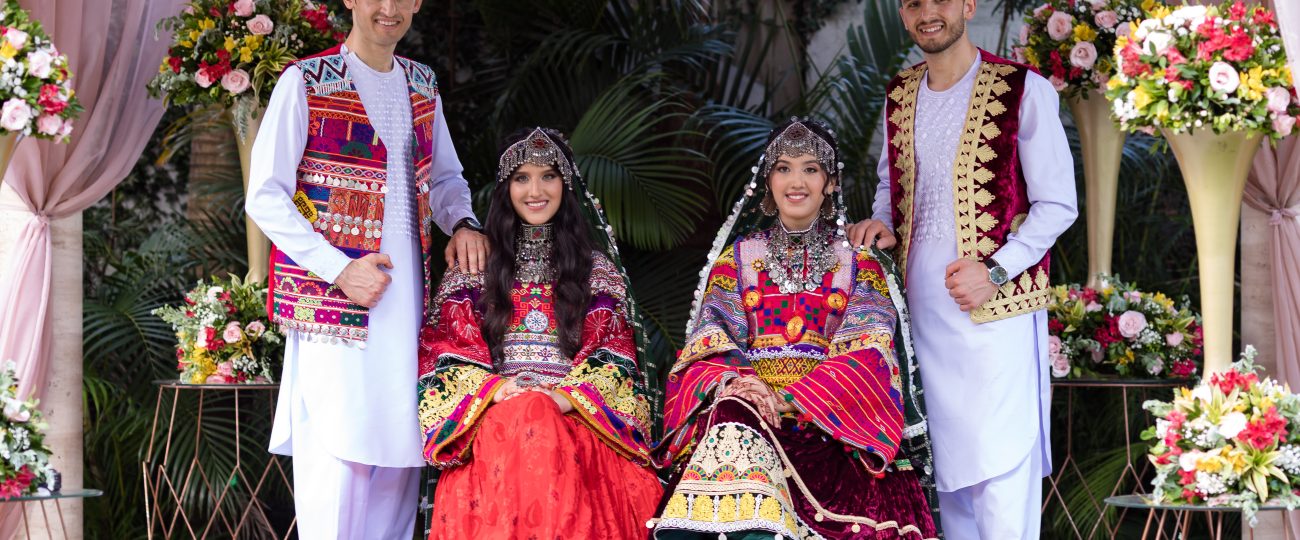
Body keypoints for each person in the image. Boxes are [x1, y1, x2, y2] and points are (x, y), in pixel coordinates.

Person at [243, 0, 488, 536]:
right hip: (336, 311)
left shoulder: (423, 83)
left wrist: (465, 223)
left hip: (409, 312)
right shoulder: (305, 81)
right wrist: (337, 269)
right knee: (337, 463)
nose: (389, 8)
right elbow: (265, 196)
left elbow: (446, 179)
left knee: (398, 470)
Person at [847, 0, 1079, 537]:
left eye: (940, 0)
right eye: (912, 4)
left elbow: (1058, 204)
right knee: (945, 481)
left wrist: (995, 271)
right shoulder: (900, 94)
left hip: (994, 315)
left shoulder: (1023, 88)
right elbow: (893, 187)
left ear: (967, 6)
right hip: (920, 318)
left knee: (1001, 475)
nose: (927, 12)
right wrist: (881, 223)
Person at [648, 118, 940, 540]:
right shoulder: (738, 260)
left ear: (831, 183)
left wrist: (788, 398)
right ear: (767, 182)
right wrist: (742, 386)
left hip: (831, 427)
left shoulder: (861, 264)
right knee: (731, 421)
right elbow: (710, 338)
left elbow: (869, 351)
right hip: (750, 417)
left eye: (810, 168)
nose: (795, 181)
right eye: (783, 168)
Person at [417, 127, 662, 539]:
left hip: (575, 416)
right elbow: (444, 353)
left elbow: (614, 355)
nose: (536, 190)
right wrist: (497, 391)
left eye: (548, 176)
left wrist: (560, 400)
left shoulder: (594, 268)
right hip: (497, 415)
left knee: (540, 416)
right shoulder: (475, 265)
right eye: (522, 177)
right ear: (504, 187)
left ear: (566, 185)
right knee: (530, 414)